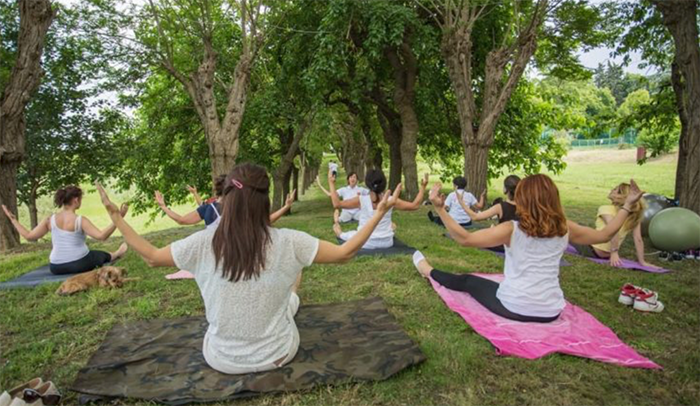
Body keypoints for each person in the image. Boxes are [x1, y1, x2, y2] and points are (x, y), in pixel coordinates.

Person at [94, 163, 401, 374]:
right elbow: (345, 253)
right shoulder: (289, 241)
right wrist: (378, 213)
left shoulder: (202, 242)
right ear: (264, 200)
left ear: (224, 196)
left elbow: (150, 256)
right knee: (292, 290)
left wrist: (117, 219)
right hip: (279, 354)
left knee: (287, 290)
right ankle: (288, 299)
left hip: (220, 359)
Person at [412, 175, 645, 323]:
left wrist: (440, 209)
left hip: (516, 306)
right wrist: (627, 205)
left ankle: (427, 270)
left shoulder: (511, 229)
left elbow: (464, 239)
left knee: (469, 281)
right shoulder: (564, 227)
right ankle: (428, 269)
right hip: (552, 311)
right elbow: (604, 234)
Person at [1, 185, 128, 275]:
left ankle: (115, 253)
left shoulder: (50, 219)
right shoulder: (80, 220)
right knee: (99, 255)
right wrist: (118, 218)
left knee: (93, 254)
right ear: (76, 200)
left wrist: (13, 220)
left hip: (56, 267)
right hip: (79, 263)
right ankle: (116, 254)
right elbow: (102, 236)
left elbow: (29, 236)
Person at [330, 170, 427, 249]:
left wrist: (331, 183)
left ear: (368, 184)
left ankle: (340, 234)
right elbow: (415, 205)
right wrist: (423, 187)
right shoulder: (391, 200)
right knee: (392, 225)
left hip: (365, 242)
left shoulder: (361, 199)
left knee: (339, 231)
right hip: (387, 242)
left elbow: (336, 204)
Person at [574, 182, 659, 269]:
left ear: (621, 196)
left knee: (571, 228)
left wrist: (614, 252)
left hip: (592, 251)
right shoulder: (633, 216)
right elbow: (638, 239)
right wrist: (642, 261)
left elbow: (614, 231)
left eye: (615, 189)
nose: (612, 190)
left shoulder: (606, 209)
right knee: (582, 227)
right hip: (606, 255)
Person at [156, 175, 296, 228]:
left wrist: (163, 207)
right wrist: (286, 207)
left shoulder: (209, 207)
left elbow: (182, 220)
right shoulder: (241, 207)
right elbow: (266, 221)